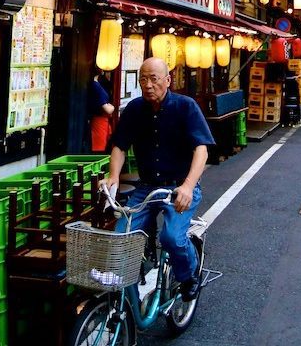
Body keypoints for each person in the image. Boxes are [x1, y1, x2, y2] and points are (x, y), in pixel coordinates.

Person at [102, 57, 214, 302]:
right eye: (143, 79)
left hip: (179, 187)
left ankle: (189, 275)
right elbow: (119, 147)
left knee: (172, 238)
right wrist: (113, 177)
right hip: (147, 188)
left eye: (154, 78)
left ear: (167, 80)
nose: (148, 84)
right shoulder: (134, 109)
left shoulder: (186, 106)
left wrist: (188, 185)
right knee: (122, 236)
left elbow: (201, 150)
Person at [88, 67, 116, 152]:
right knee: (99, 150)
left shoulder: (97, 84)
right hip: (99, 122)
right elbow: (108, 109)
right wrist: (113, 107)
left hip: (102, 122)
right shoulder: (95, 86)